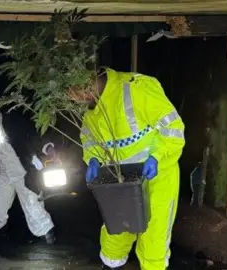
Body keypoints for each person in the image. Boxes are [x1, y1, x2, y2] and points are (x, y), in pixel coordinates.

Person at [77, 68, 185, 270]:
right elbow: (89, 139)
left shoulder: (137, 88)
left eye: (73, 92)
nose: (73, 99)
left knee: (155, 239)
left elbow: (174, 128)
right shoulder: (91, 108)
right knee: (116, 232)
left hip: (157, 177)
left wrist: (156, 156)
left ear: (86, 82)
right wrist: (93, 159)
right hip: (119, 181)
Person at [0, 98, 55, 244]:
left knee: (33, 207)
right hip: (1, 173)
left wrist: (47, 147)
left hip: (21, 169)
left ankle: (49, 240)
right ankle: (3, 240)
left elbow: (32, 135)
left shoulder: (11, 122)